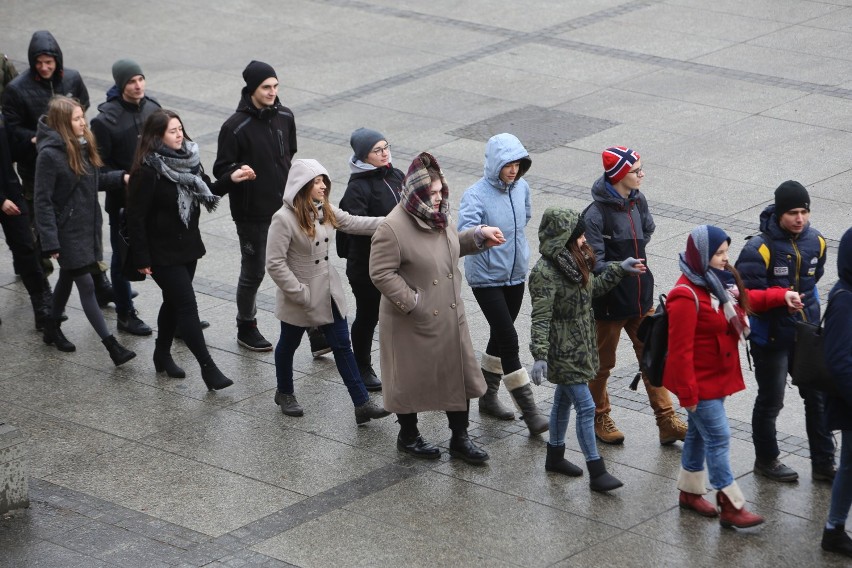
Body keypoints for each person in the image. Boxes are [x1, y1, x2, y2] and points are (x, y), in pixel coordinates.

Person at [369, 152, 506, 463]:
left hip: (448, 314)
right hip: (412, 320)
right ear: (416, 193)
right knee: (410, 380)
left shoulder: (439, 216)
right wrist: (413, 303)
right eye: (431, 193)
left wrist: (477, 237)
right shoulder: (392, 227)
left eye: (441, 191)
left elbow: (447, 250)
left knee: (457, 375)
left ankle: (460, 438)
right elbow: (380, 273)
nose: (438, 198)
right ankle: (408, 435)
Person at [665, 225, 803, 529]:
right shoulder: (685, 296)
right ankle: (731, 505)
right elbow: (679, 353)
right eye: (719, 253)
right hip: (699, 385)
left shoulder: (717, 283)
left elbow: (748, 297)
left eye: (727, 252)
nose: (726, 259)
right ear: (701, 255)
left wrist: (784, 296)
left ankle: (689, 493)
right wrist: (688, 398)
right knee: (718, 437)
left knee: (700, 435)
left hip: (717, 379)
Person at [126, 109, 251, 390]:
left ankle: (161, 354)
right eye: (172, 131)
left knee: (172, 302)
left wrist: (233, 178)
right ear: (157, 136)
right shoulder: (147, 171)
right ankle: (208, 368)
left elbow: (208, 192)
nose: (179, 133)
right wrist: (142, 257)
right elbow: (135, 217)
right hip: (160, 252)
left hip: (187, 246)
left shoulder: (190, 161)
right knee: (186, 304)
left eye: (180, 128)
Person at [214, 60, 330, 356]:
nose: (272, 92)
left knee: (302, 267)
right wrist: (237, 172)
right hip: (252, 213)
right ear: (252, 88)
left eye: (276, 86)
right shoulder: (234, 127)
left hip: (289, 207)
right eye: (266, 87)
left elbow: (289, 156)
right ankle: (246, 325)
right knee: (254, 272)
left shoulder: (285, 116)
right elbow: (220, 169)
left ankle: (316, 331)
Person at [266, 158, 391, 424]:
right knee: (288, 344)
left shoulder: (324, 209)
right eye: (317, 182)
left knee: (342, 346)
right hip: (300, 295)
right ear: (302, 186)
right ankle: (284, 392)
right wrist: (299, 293)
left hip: (328, 292)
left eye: (323, 181)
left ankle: (362, 404)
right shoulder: (283, 219)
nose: (323, 186)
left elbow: (354, 223)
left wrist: (394, 221)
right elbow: (274, 263)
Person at [529, 207, 645, 491]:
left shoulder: (574, 261)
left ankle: (555, 456)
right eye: (578, 235)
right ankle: (596, 470)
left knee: (562, 402)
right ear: (564, 237)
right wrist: (540, 355)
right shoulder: (545, 273)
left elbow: (591, 289)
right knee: (586, 405)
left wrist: (620, 269)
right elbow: (541, 317)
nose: (584, 239)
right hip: (562, 350)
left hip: (581, 345)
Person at [584, 146, 687, 446]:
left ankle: (666, 420)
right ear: (618, 176)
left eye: (641, 168)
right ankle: (598, 416)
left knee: (652, 355)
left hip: (641, 297)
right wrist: (622, 266)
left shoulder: (637, 200)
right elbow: (595, 263)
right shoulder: (594, 215)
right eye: (636, 170)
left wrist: (635, 258)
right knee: (603, 364)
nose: (642, 174)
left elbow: (648, 229)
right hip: (609, 303)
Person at [735, 180, 835, 483]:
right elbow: (745, 297)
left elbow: (812, 280)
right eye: (793, 212)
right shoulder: (758, 248)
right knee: (771, 400)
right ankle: (766, 460)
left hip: (805, 335)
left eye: (804, 211)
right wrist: (780, 298)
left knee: (816, 395)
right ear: (779, 212)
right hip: (771, 338)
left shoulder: (816, 242)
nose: (799, 218)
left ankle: (824, 463)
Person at [33, 96, 134, 366]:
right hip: (65, 232)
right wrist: (50, 241)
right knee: (87, 285)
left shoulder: (81, 144)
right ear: (63, 123)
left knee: (68, 276)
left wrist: (122, 177)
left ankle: (51, 325)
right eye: (76, 119)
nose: (83, 122)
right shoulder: (49, 155)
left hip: (86, 227)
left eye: (82, 117)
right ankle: (112, 347)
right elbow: (42, 200)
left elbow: (93, 180)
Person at [459, 133, 549, 433]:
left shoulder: (521, 187)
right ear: (495, 163)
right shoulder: (475, 194)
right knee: (509, 339)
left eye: (518, 164)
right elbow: (465, 231)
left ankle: (487, 397)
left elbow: (523, 218)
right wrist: (483, 232)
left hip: (514, 275)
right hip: (486, 278)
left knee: (500, 335)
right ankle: (530, 411)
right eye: (508, 164)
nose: (513, 170)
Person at [2, 31, 96, 287]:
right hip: (36, 165)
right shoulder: (17, 89)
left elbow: (83, 104)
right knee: (37, 219)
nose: (44, 67)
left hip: (72, 161)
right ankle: (37, 272)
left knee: (78, 215)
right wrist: (34, 138)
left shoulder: (72, 78)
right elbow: (11, 128)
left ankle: (96, 277)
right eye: (39, 62)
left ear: (57, 61)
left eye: (49, 62)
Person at [91, 59, 159, 337]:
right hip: (123, 204)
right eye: (131, 81)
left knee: (168, 255)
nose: (138, 85)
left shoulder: (154, 109)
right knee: (122, 259)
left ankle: (179, 313)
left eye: (140, 79)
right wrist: (123, 178)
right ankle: (125, 316)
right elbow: (95, 171)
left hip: (156, 198)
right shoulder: (105, 120)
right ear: (121, 85)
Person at [336, 127, 405, 392]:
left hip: (398, 262)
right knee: (368, 315)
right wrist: (392, 225)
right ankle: (362, 366)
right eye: (377, 150)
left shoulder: (397, 175)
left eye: (386, 146)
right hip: (366, 266)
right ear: (364, 156)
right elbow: (353, 225)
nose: (385, 153)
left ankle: (405, 362)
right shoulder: (357, 187)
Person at [1, 114, 51, 328]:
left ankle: (41, 308)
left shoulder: (1, 120)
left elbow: (11, 152)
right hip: (5, 198)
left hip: (11, 192)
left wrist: (31, 142)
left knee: (26, 248)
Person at [822, 227, 852, 557]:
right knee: (849, 465)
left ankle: (834, 527)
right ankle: (833, 529)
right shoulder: (845, 300)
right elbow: (838, 361)